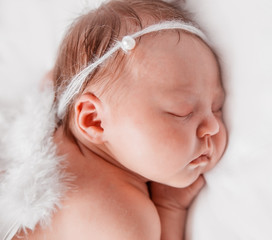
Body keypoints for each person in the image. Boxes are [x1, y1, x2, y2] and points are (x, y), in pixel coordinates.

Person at [13, 0, 227, 239]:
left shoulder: (51, 117)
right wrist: (170, 209)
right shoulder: (124, 220)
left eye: (217, 107)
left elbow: (59, 77)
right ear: (94, 120)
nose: (213, 126)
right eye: (182, 111)